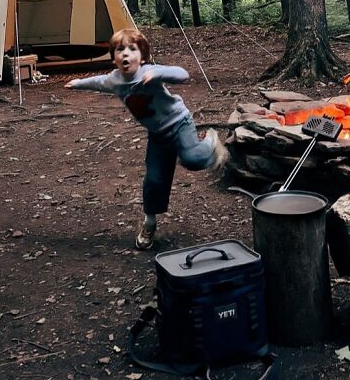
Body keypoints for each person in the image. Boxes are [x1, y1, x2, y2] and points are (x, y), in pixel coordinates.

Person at [66, 27, 228, 250]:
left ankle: (210, 139)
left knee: (193, 159)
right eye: (120, 49)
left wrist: (158, 74)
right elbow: (97, 81)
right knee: (154, 181)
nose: (125, 54)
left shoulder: (149, 71)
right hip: (158, 136)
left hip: (179, 124)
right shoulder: (113, 80)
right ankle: (149, 224)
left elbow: (183, 74)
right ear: (114, 57)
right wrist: (77, 84)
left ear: (142, 57)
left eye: (132, 49)